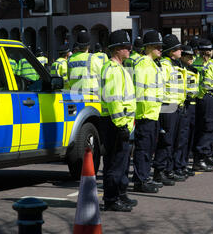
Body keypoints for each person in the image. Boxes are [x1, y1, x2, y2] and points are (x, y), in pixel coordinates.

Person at [99, 29, 136, 212]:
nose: (129, 50)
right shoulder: (113, 70)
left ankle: (121, 195)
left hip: (121, 123)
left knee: (121, 163)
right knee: (114, 164)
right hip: (115, 124)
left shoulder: (119, 68)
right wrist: (121, 125)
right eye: (125, 47)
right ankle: (112, 199)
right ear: (116, 50)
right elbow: (114, 100)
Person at [132, 30, 165, 193]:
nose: (161, 49)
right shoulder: (143, 64)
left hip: (152, 113)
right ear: (149, 47)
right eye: (158, 46)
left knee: (148, 149)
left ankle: (143, 177)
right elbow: (137, 92)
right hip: (144, 114)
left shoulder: (152, 64)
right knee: (143, 149)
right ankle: (141, 180)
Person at [153, 34, 186, 186]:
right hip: (167, 107)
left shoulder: (174, 65)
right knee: (166, 141)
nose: (181, 51)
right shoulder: (164, 66)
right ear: (171, 51)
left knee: (174, 141)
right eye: (178, 48)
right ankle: (160, 171)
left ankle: (169, 169)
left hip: (176, 106)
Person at [192, 38, 213, 172]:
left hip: (208, 98)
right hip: (205, 98)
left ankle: (205, 155)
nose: (208, 53)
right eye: (206, 50)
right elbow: (205, 84)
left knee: (208, 128)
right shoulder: (201, 64)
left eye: (209, 50)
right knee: (208, 128)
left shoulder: (207, 63)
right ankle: (200, 159)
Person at [176, 43, 199, 177]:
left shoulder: (192, 69)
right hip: (184, 105)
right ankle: (178, 165)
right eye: (188, 56)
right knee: (181, 138)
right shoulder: (181, 69)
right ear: (182, 57)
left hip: (192, 105)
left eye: (192, 56)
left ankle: (184, 164)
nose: (191, 58)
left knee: (189, 137)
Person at [67, 30, 102, 96]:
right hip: (91, 95)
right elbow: (102, 77)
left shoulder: (70, 59)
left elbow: (68, 77)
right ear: (89, 45)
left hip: (75, 95)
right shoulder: (93, 58)